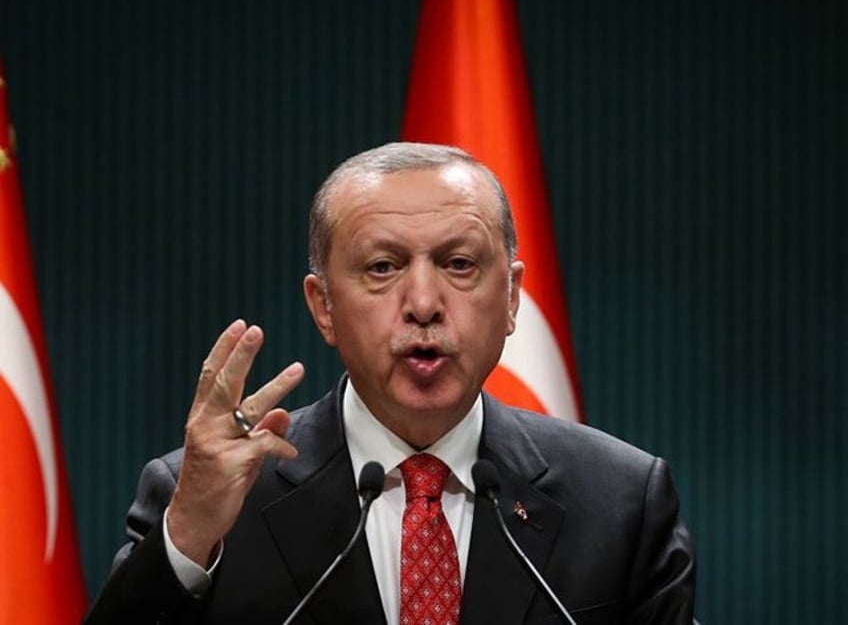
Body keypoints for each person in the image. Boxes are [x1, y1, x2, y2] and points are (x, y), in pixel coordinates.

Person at [85, 142, 696, 624]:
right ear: (323, 306)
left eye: (459, 264)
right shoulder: (214, 499)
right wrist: (188, 535)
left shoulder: (619, 502)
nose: (424, 302)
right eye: (383, 267)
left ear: (511, 298)